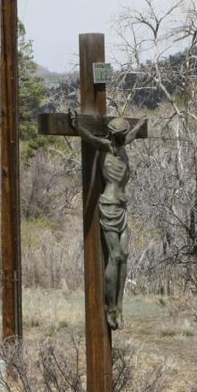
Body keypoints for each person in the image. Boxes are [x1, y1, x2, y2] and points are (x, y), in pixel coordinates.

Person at [68, 110, 145, 329]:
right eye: (121, 135)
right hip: (109, 206)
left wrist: (140, 123)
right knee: (116, 255)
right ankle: (111, 307)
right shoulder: (106, 147)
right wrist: (75, 125)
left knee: (125, 256)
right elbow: (89, 138)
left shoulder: (121, 146)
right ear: (113, 135)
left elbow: (132, 136)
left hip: (122, 205)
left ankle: (120, 305)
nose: (125, 138)